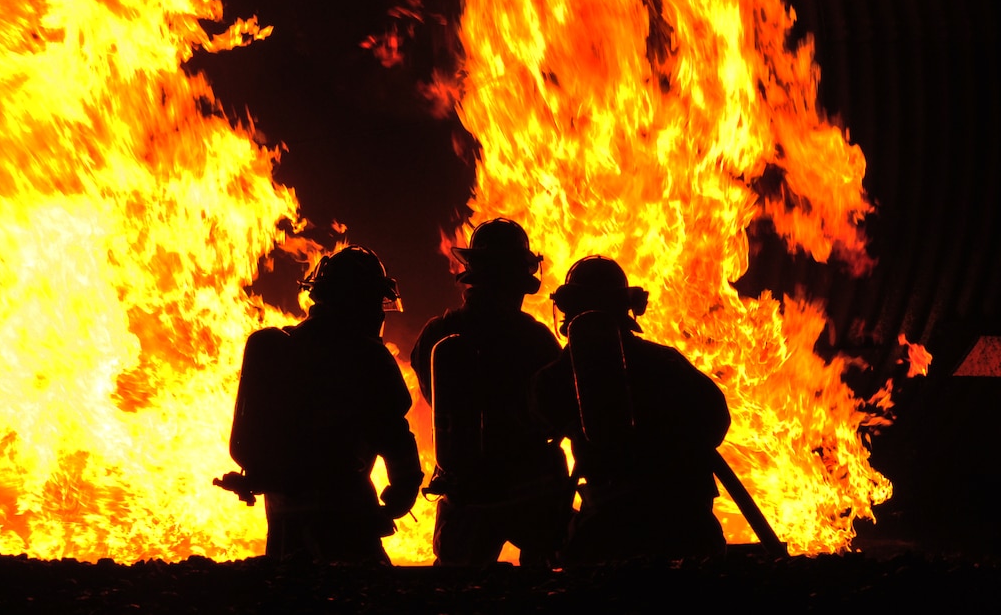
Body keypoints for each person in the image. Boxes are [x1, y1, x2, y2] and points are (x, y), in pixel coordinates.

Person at [222, 245, 423, 565]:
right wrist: (401, 492)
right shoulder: (370, 359)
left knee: (291, 591)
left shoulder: (277, 350)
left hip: (283, 511)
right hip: (346, 515)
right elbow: (395, 436)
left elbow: (251, 440)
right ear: (365, 303)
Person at [533, 255, 730, 563]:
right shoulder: (668, 362)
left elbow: (539, 433)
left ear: (567, 310)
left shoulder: (554, 378)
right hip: (688, 525)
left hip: (609, 530)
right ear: (628, 308)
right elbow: (717, 421)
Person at [410, 218, 573, 567]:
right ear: (519, 281)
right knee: (547, 584)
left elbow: (434, 397)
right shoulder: (537, 339)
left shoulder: (437, 333)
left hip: (465, 492)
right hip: (532, 489)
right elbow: (561, 410)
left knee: (451, 590)